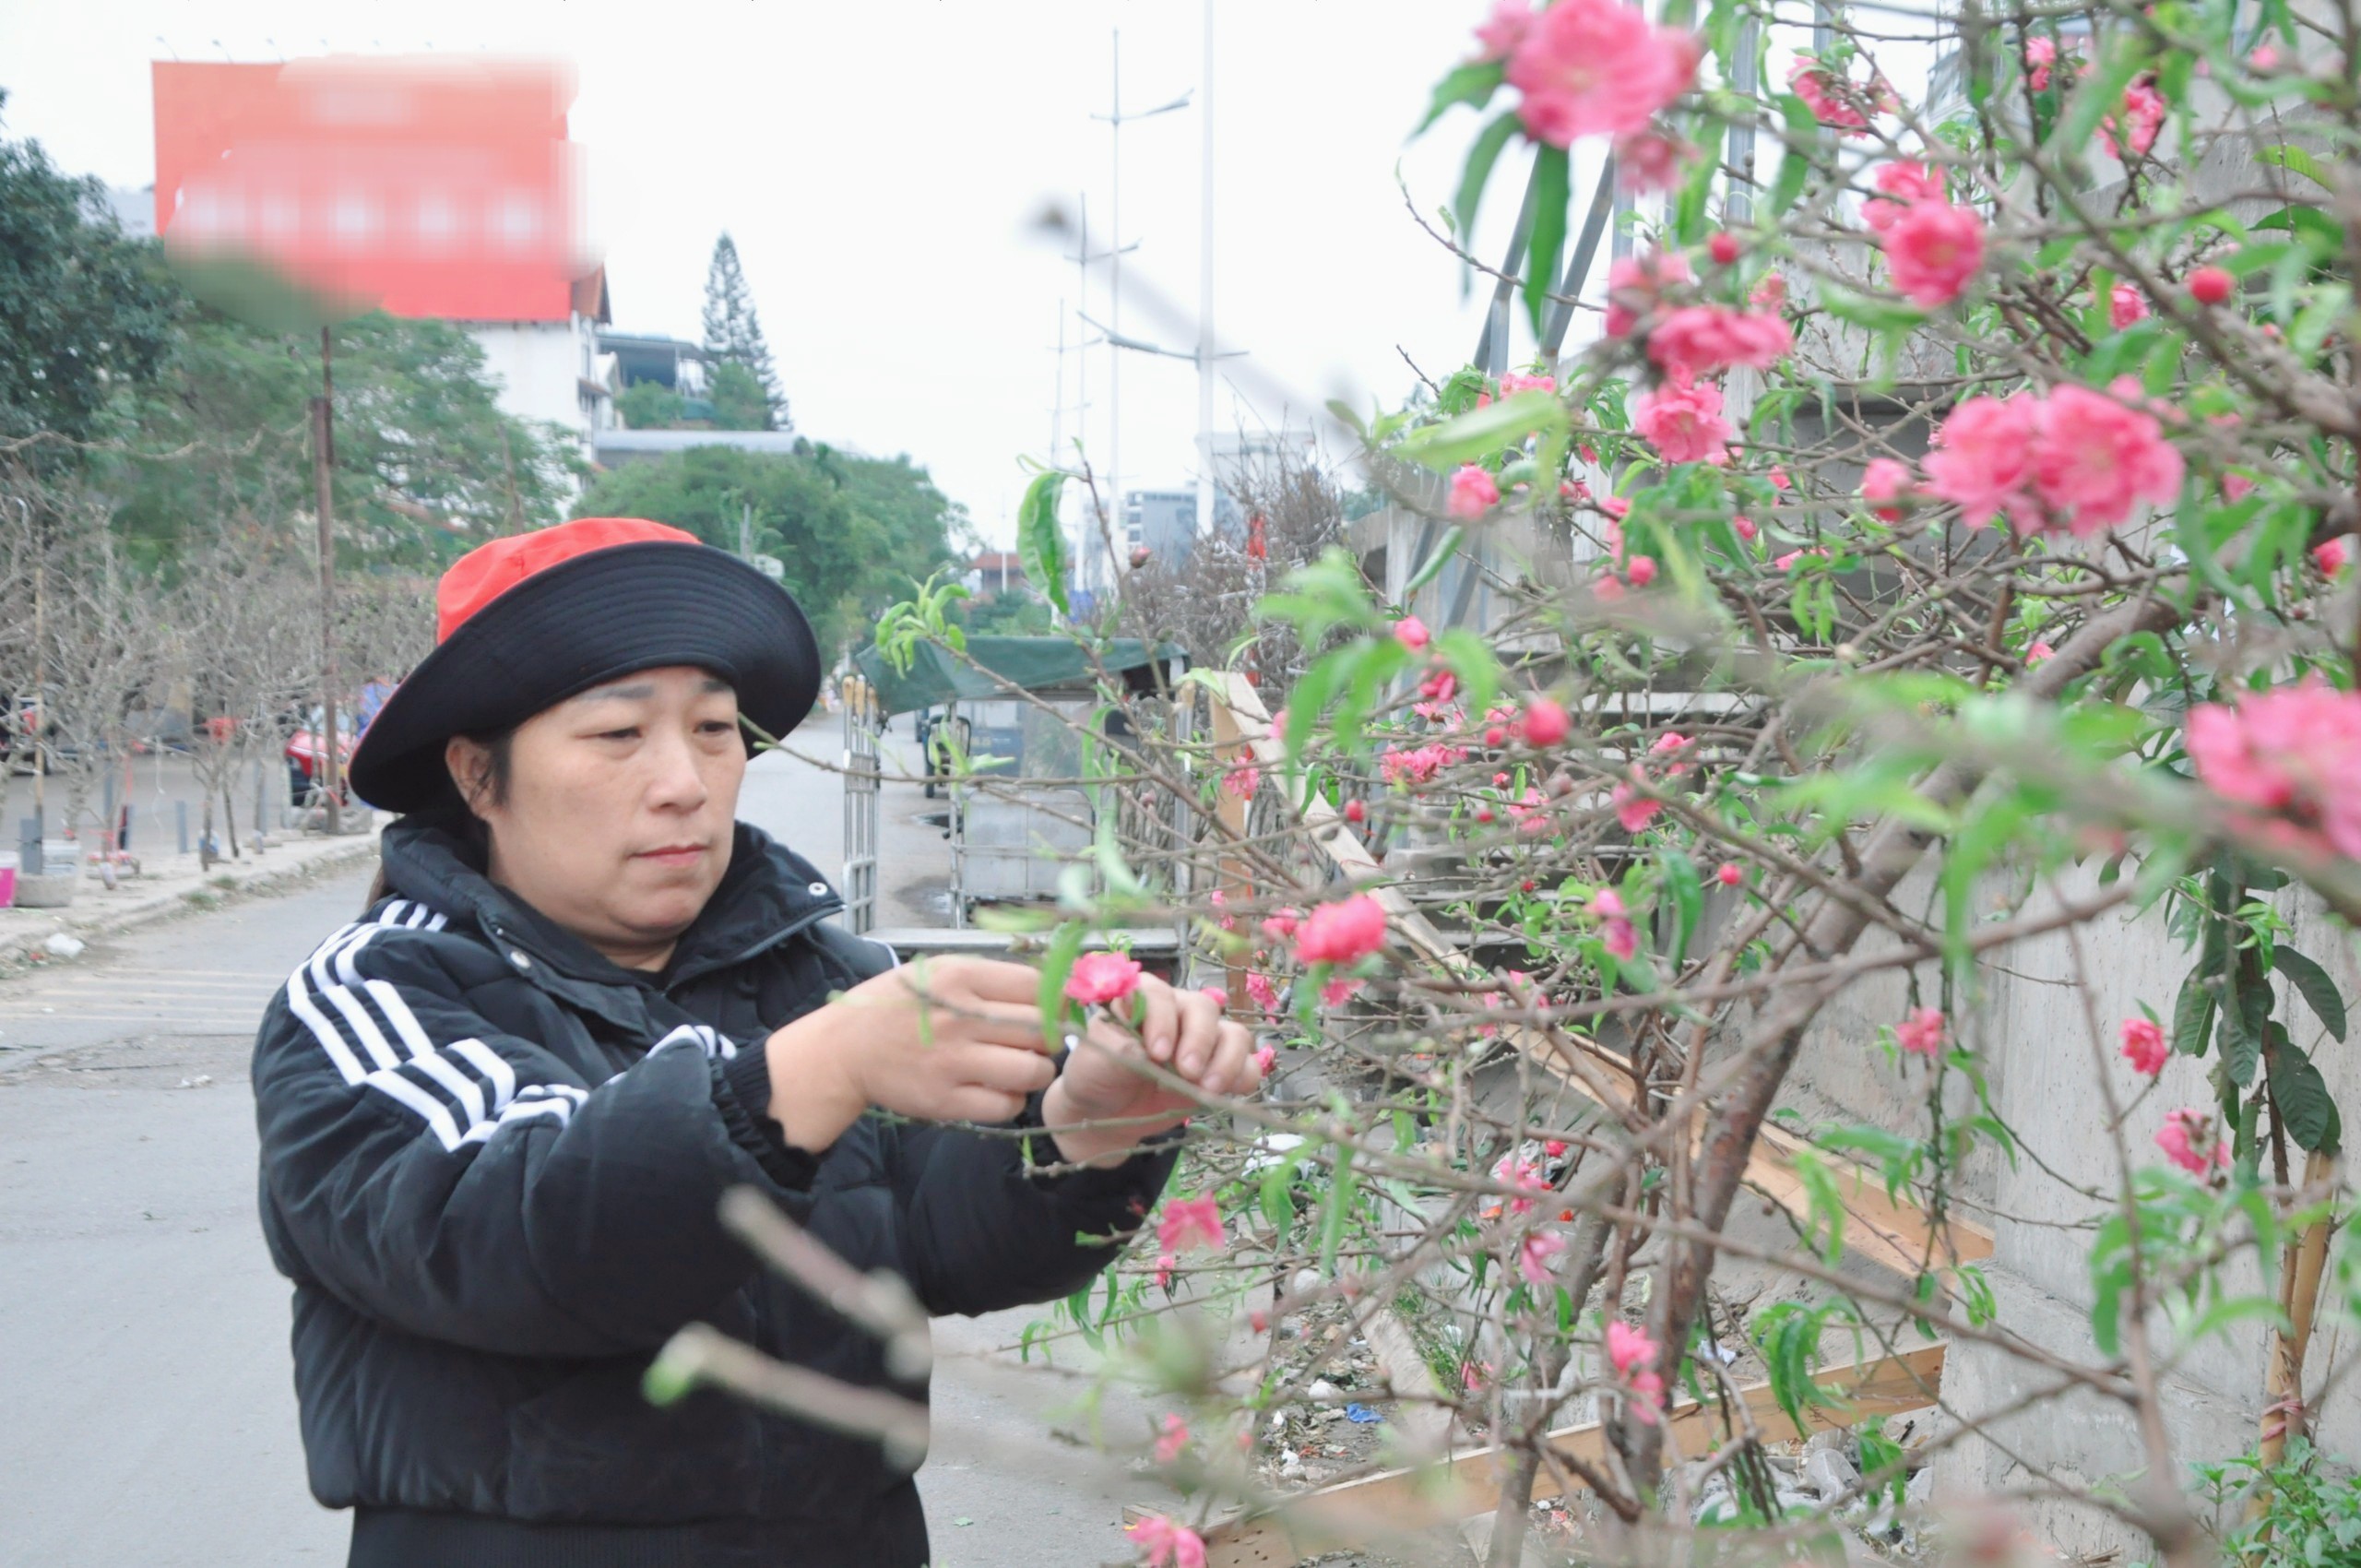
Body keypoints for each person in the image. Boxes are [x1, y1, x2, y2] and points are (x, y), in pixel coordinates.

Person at [251, 517, 1255, 1568]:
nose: (683, 780)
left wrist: (1083, 1131)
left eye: (716, 730)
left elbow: (936, 1232)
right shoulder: (378, 991)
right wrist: (812, 1071)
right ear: (476, 773)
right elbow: (517, 1226)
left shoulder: (823, 978)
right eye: (617, 734)